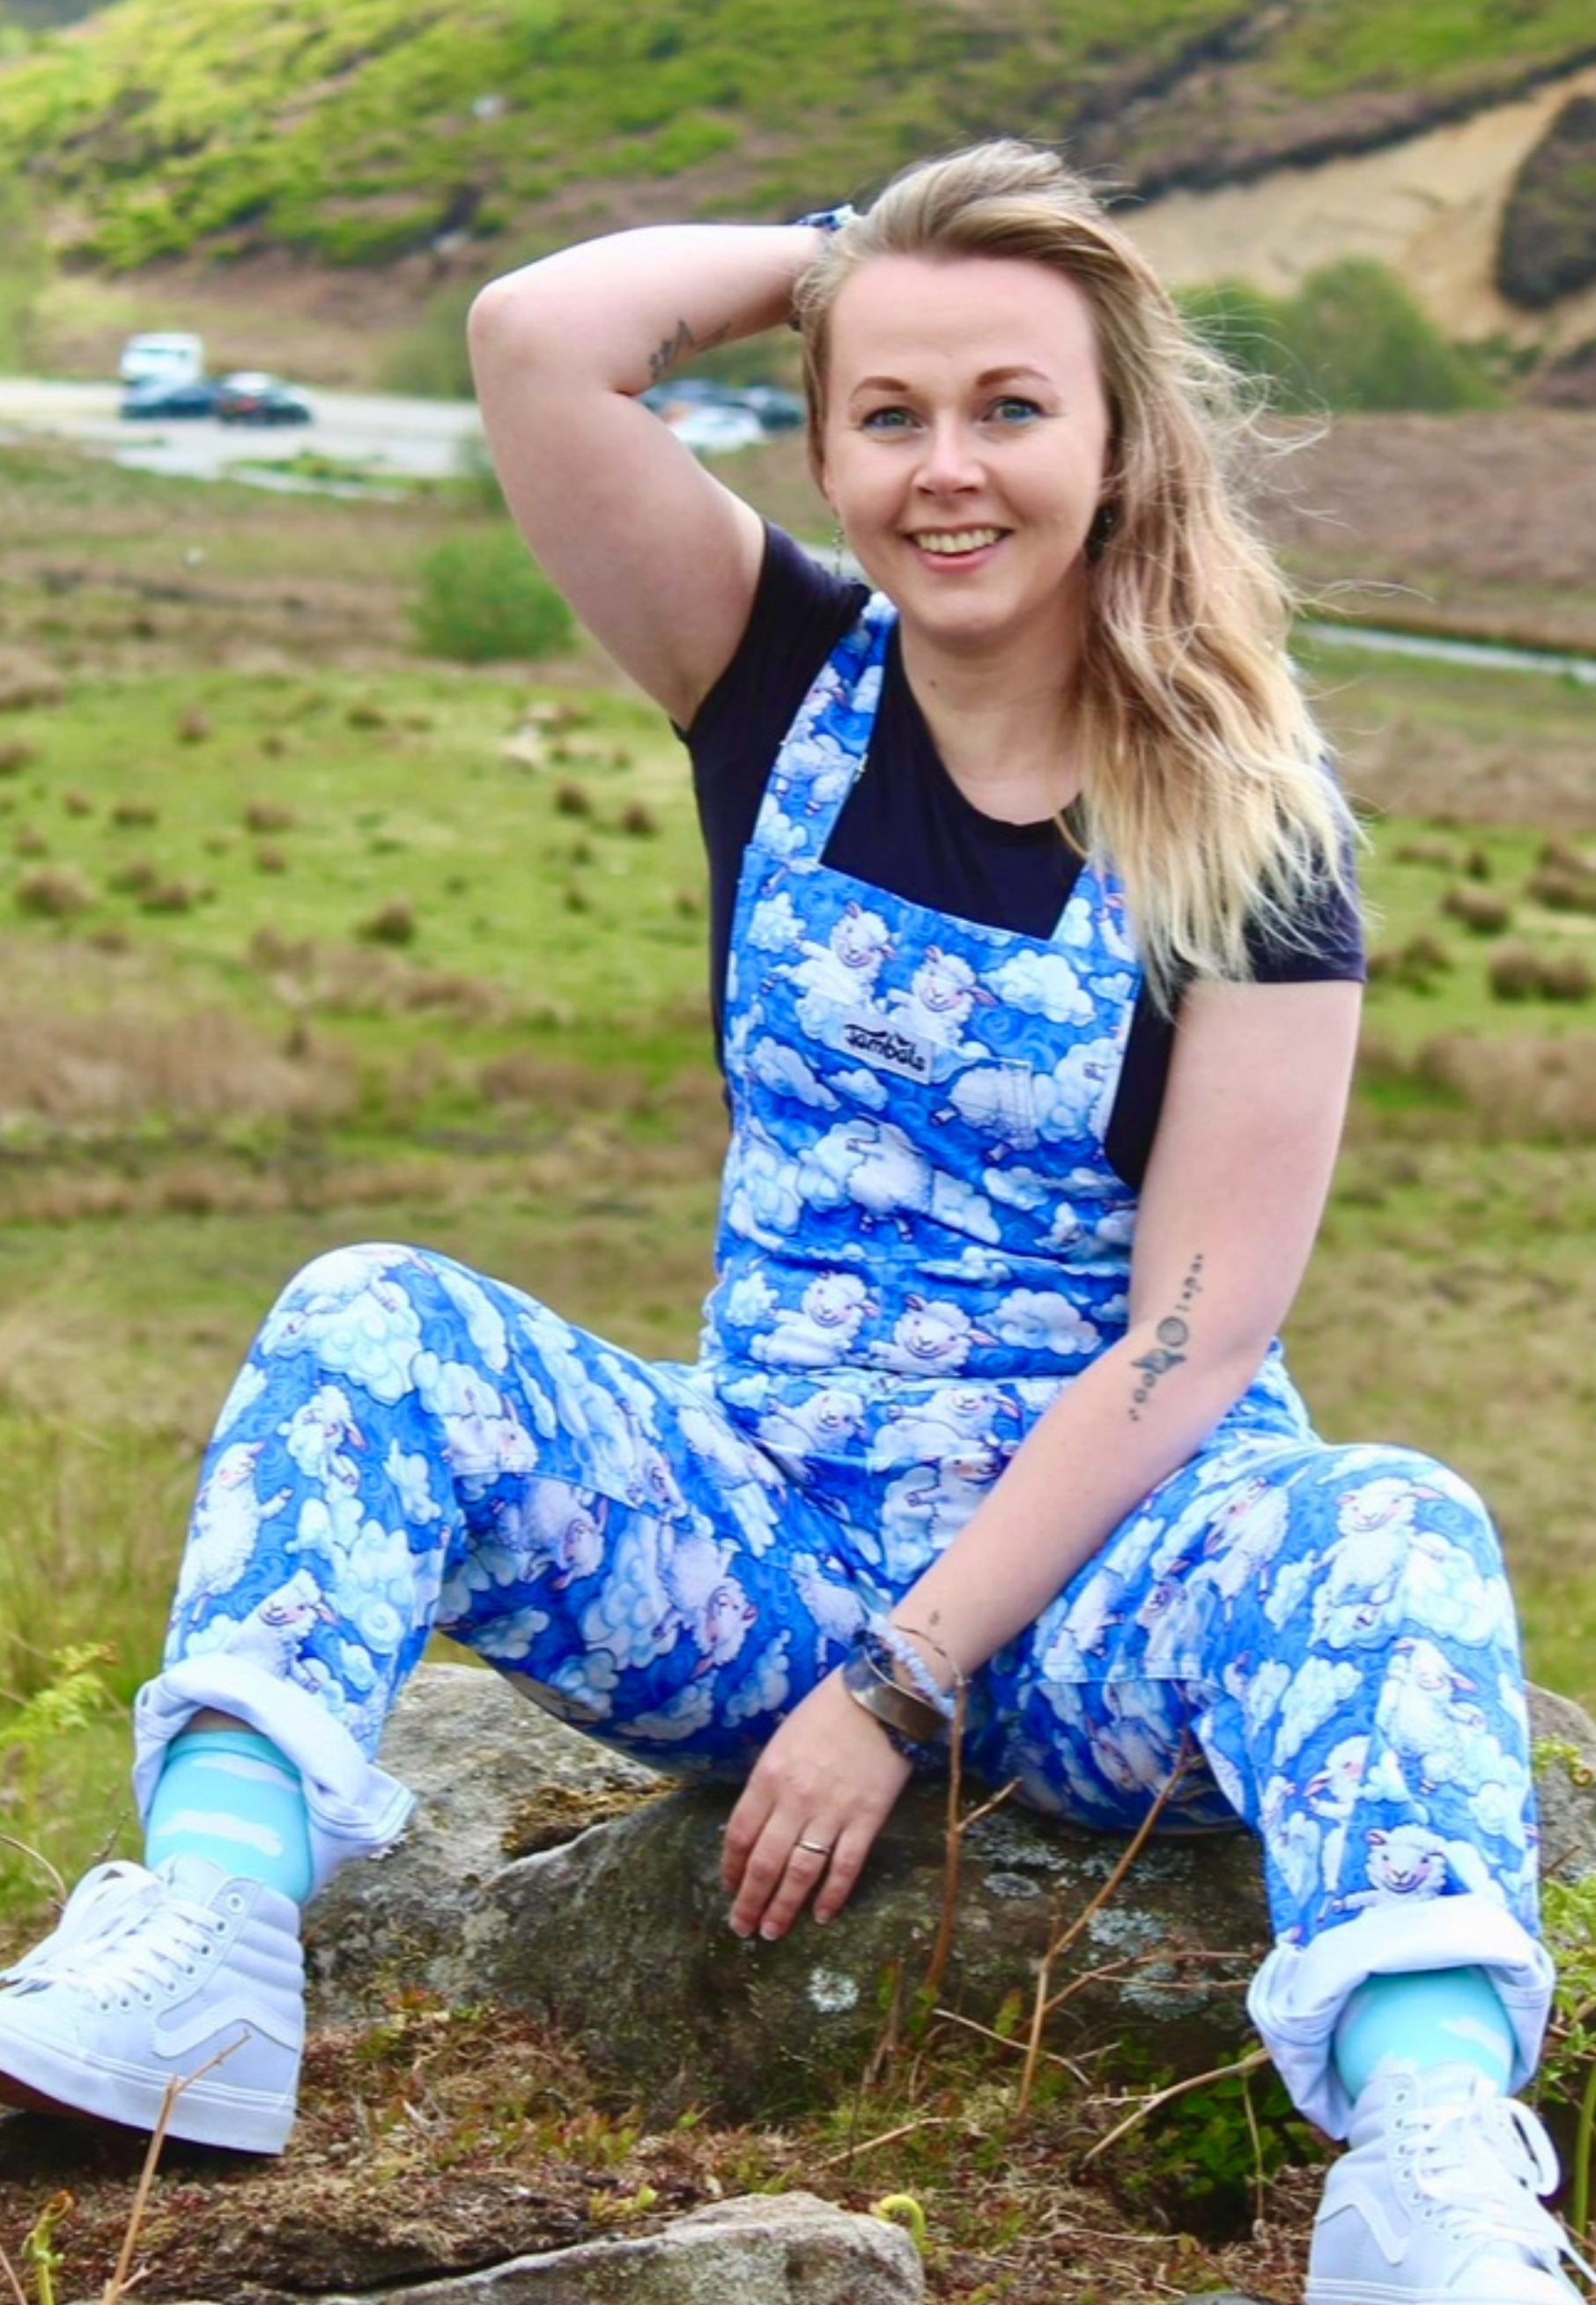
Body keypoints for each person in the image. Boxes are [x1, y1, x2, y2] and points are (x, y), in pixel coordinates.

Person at [0, 140, 1584, 2304]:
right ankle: (202, 1950)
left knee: (1392, 1518)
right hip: (759, 1524)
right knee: (371, 1318)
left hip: (1100, 1589)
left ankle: (1425, 2175)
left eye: (1014, 407)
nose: (950, 470)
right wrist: (866, 267)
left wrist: (899, 1684)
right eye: (889, 412)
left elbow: (1195, 1343)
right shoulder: (772, 670)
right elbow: (540, 339)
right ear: (826, 439)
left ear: (1119, 444)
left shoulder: (1250, 824)